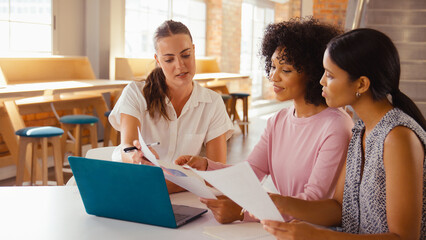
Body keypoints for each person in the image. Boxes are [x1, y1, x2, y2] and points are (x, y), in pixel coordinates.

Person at [175, 18, 354, 223]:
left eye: (285, 70)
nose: (273, 77)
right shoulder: (278, 120)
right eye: (273, 66)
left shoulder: (336, 126)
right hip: (281, 228)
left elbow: (313, 202)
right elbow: (250, 173)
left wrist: (244, 213)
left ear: (314, 75)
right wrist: (206, 166)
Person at [261, 28, 426, 239]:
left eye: (330, 75)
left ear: (361, 84)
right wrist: (279, 202)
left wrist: (318, 236)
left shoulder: (398, 137)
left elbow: (404, 237)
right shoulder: (360, 130)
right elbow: (339, 208)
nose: (320, 81)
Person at [109, 20, 234, 193]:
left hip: (174, 194)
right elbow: (127, 147)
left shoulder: (212, 103)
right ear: (158, 61)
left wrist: (161, 186)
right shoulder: (136, 93)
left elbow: (215, 173)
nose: (180, 65)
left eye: (185, 55)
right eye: (169, 59)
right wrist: (134, 156)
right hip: (138, 191)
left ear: (194, 51)